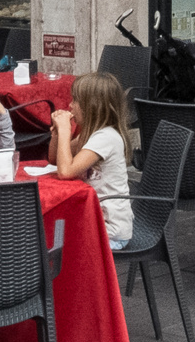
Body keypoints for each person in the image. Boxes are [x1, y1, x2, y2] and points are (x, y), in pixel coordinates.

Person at [48, 71, 134, 250]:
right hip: (94, 221)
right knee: (52, 237)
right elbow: (56, 160)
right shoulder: (91, 133)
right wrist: (57, 134)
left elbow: (65, 172)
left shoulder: (106, 137)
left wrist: (65, 130)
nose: (70, 105)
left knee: (56, 242)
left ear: (91, 106)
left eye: (75, 101)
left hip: (110, 232)